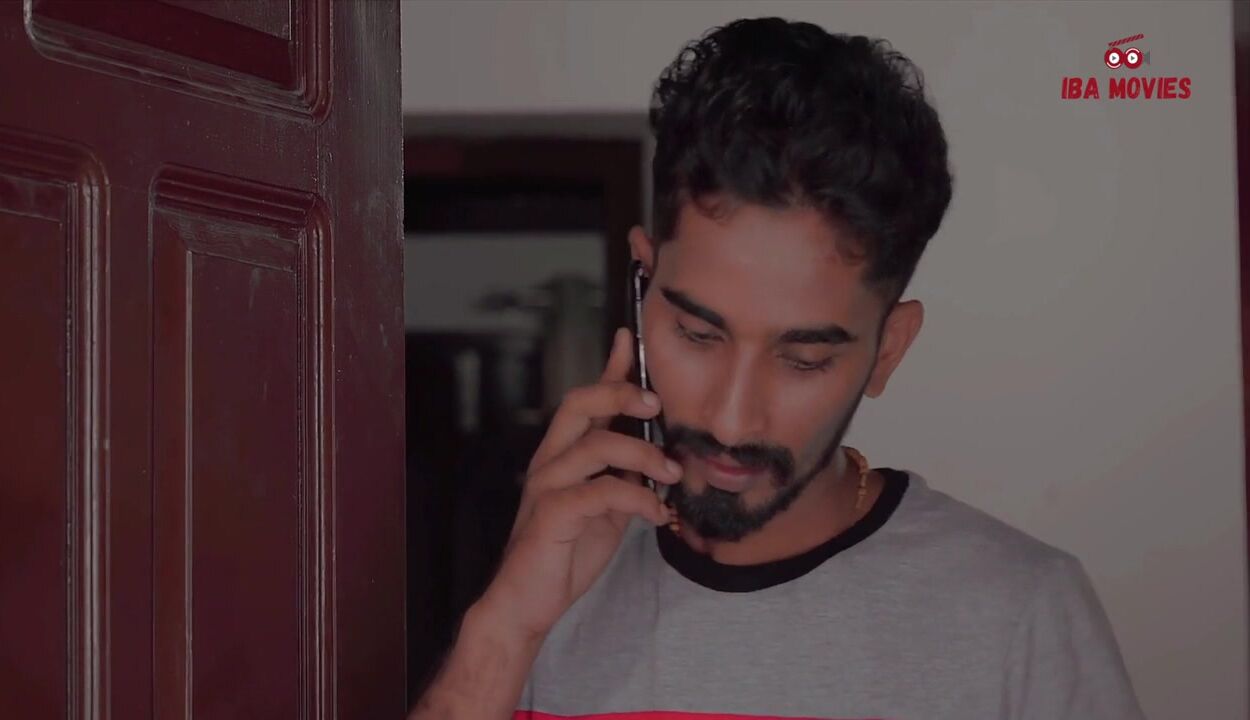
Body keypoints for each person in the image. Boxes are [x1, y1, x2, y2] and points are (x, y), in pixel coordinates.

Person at [410, 17, 1144, 720]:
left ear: (888, 349)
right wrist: (504, 629)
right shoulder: (545, 573)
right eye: (698, 334)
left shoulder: (1019, 616)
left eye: (802, 359)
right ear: (641, 279)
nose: (732, 420)